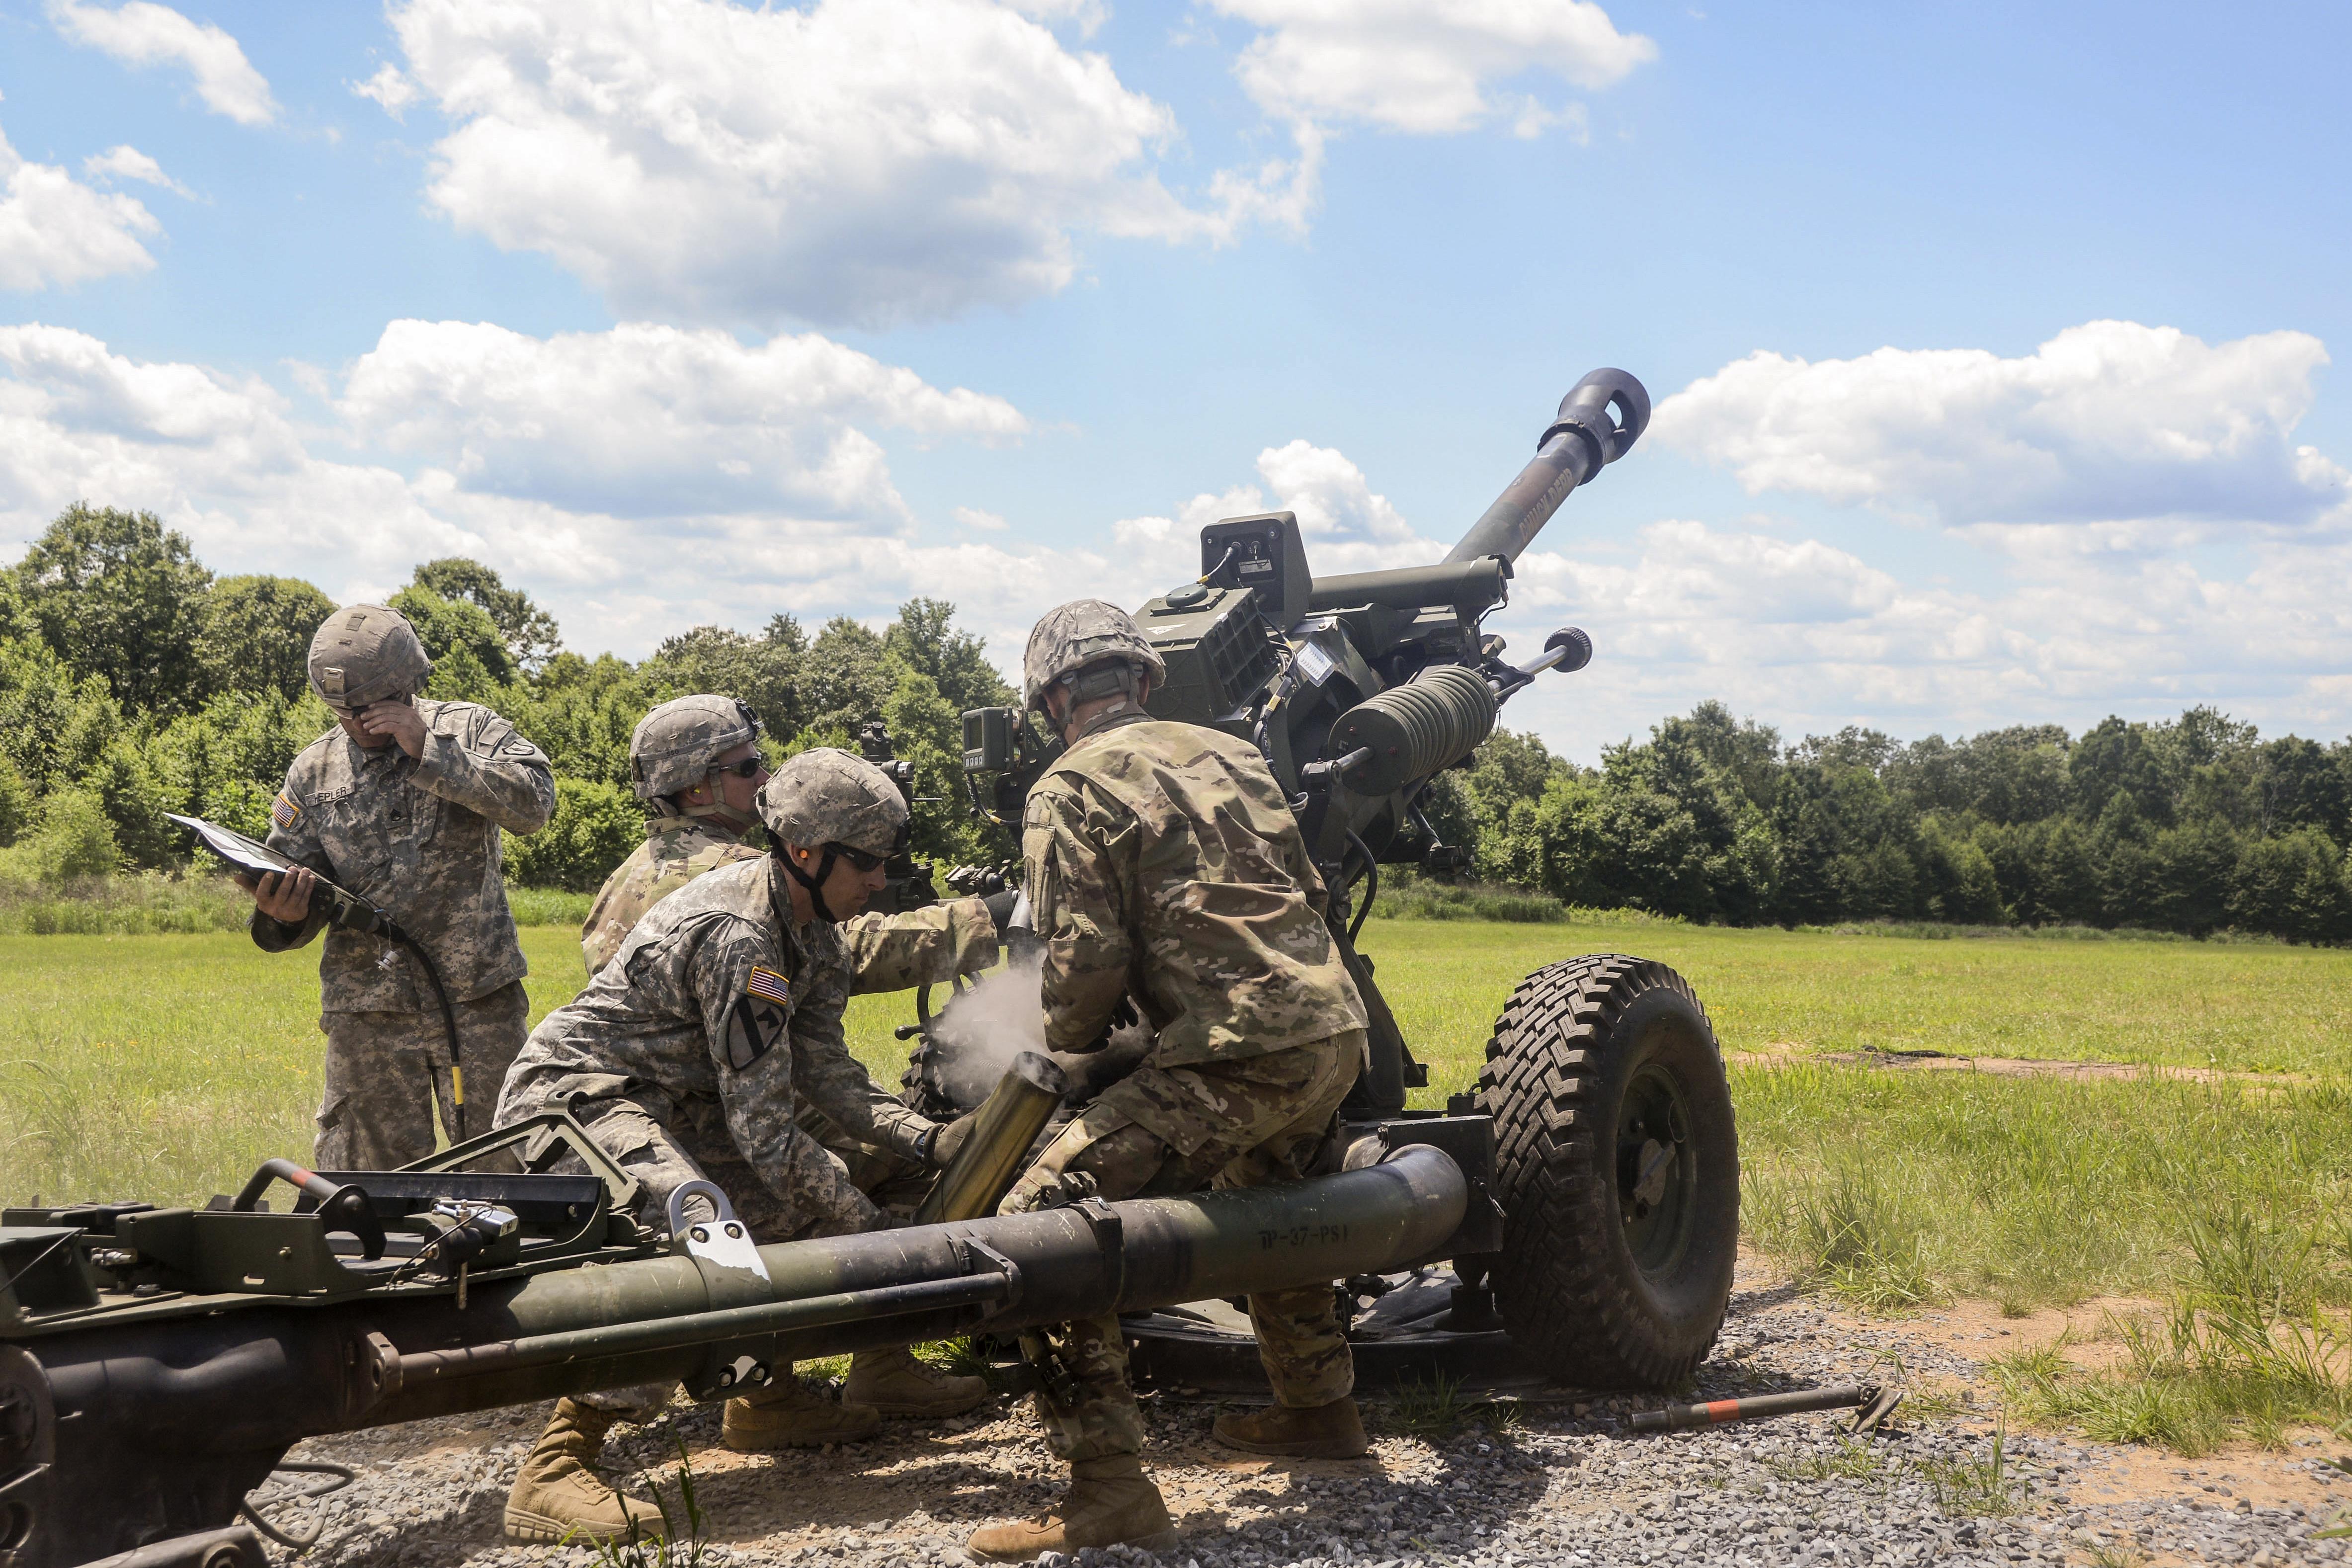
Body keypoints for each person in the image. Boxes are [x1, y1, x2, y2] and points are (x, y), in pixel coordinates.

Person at [494, 748, 986, 1546]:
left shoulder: (812, 929)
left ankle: (764, 1398)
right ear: (805, 851)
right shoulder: (742, 936)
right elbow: (765, 1133)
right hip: (575, 1098)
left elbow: (826, 1070)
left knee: (781, 1209)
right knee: (704, 1230)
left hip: (669, 1100)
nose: (877, 882)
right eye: (865, 863)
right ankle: (554, 1467)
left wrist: (927, 1138)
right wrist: (870, 1231)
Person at [965, 601, 1374, 1561]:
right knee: (1277, 1204)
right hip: (1329, 1029)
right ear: (1143, 681)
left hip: (1232, 1050)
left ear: (1050, 698)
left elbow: (1083, 955)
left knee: (1044, 1219)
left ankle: (1108, 1488)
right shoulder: (1232, 755)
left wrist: (1074, 1046)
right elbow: (1309, 894)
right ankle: (1319, 1414)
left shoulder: (1066, 787)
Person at [239, 603, 553, 1170]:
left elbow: (533, 805)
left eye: (368, 707)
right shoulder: (313, 772)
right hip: (369, 1010)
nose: (355, 722)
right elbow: (297, 880)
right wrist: (282, 912)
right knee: (363, 1179)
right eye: (340, 710)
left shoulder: (471, 729)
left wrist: (429, 749)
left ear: (408, 683)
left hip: (476, 1000)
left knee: (505, 1168)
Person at [580, 694, 997, 993]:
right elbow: (842, 953)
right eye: (746, 767)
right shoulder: (730, 873)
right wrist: (987, 918)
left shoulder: (630, 870)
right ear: (692, 787)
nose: (764, 778)